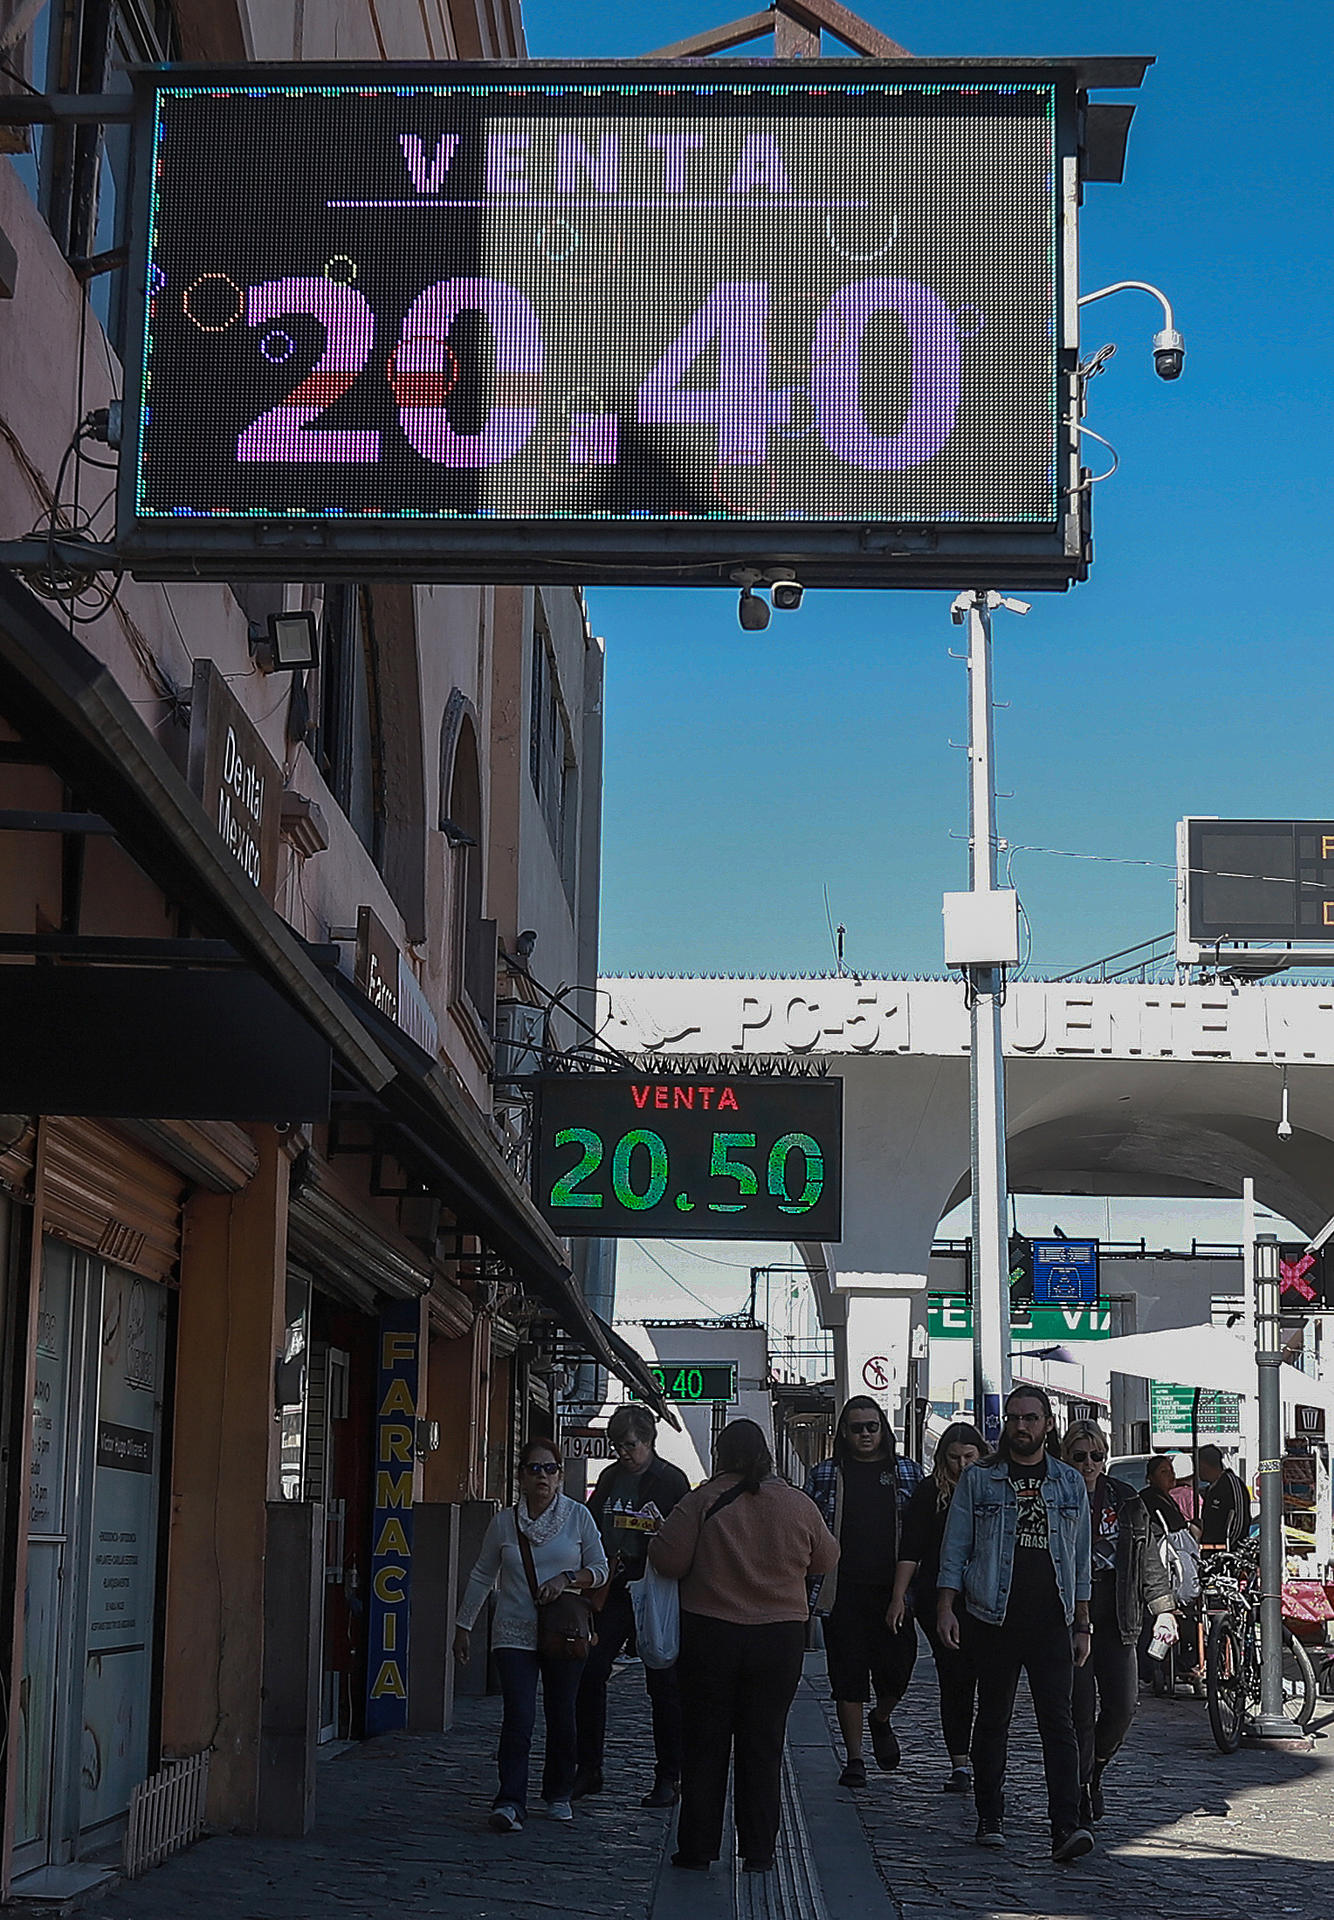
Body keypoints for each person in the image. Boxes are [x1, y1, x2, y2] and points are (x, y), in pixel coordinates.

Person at [650, 1419, 838, 1876]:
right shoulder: (797, 1504)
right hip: (779, 1638)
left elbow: (668, 1560)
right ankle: (758, 1851)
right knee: (764, 1744)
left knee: (705, 1744)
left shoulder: (700, 1501)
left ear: (721, 1455)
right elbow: (827, 1559)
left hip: (711, 1634)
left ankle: (697, 1848)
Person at [937, 1384, 1095, 1865]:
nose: (1020, 1426)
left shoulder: (1069, 1483)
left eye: (1030, 1418)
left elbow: (1081, 1559)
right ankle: (991, 1816)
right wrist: (946, 1606)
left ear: (1048, 1424)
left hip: (1052, 1618)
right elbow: (956, 1545)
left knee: (1059, 1724)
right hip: (993, 1615)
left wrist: (1083, 1622)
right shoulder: (980, 1480)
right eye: (1013, 1418)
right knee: (993, 1719)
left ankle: (1065, 1826)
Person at [454, 1436, 608, 1833]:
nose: (542, 1475)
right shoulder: (504, 1522)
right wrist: (463, 1626)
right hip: (514, 1630)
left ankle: (558, 1793)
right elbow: (482, 1574)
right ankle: (510, 1800)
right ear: (520, 1476)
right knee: (518, 1716)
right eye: (534, 1468)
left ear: (560, 1476)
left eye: (550, 1468)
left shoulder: (578, 1517)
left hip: (564, 1632)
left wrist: (568, 1578)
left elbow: (601, 1569)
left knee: (562, 1715)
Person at [804, 1396, 923, 1787]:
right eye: (857, 1428)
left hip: (895, 1592)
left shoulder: (907, 1472)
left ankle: (882, 1718)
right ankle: (854, 1758)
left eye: (872, 1427)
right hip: (842, 1591)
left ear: (883, 1430)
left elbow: (922, 1532)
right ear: (844, 1433)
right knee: (848, 1676)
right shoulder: (824, 1475)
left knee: (899, 1670)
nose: (865, 1434)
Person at [1061, 1420, 1176, 1825]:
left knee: (1122, 1707)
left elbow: (1147, 1559)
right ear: (1065, 1456)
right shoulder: (1057, 1494)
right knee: (1078, 1712)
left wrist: (1163, 1607)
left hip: (1118, 1612)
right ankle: (1077, 1794)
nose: (1088, 1463)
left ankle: (1096, 1771)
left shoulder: (1125, 1499)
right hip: (1072, 1615)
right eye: (1079, 1456)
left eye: (1095, 1455)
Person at [574, 1404, 690, 1806]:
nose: (623, 1453)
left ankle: (668, 1775)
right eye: (618, 1446)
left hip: (654, 1586)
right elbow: (592, 1523)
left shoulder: (671, 1480)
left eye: (629, 1445)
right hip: (614, 1586)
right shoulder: (609, 1477)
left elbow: (686, 1536)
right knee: (591, 1672)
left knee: (663, 1682)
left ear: (648, 1442)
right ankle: (588, 1767)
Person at [887, 1422, 986, 1793]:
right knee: (956, 1676)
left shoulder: (993, 1488)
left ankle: (984, 1756)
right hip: (939, 1595)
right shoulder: (931, 1493)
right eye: (955, 1458)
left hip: (987, 1593)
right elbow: (911, 1548)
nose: (962, 1465)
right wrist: (899, 1596)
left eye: (969, 1457)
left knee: (989, 1678)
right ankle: (960, 1762)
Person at [1141, 1455, 1203, 1689]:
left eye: (1171, 1471)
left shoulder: (1168, 1499)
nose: (1171, 1476)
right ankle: (1163, 1666)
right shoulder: (1150, 1500)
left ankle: (1181, 1663)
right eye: (1164, 1472)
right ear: (1151, 1478)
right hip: (1166, 1567)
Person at [1195, 1444, 1252, 1548]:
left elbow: (1240, 1518)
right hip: (1210, 1549)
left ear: (1203, 1465)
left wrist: (1230, 1545)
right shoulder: (1211, 1488)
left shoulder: (1231, 1484)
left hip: (1227, 1551)